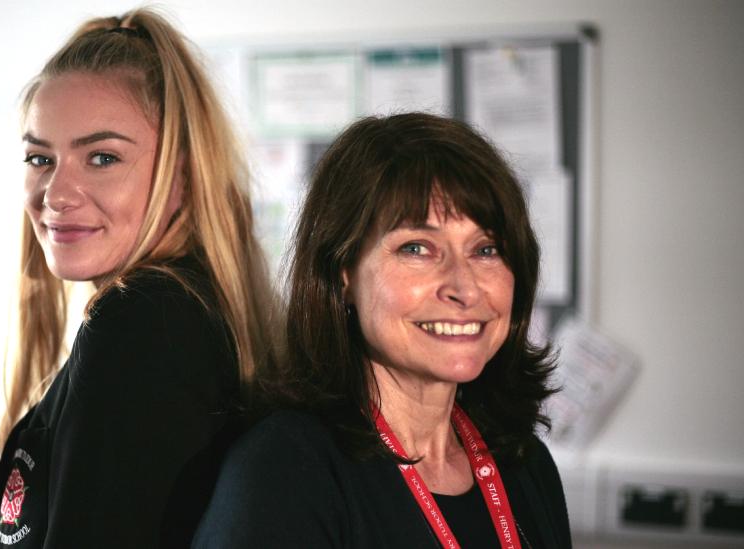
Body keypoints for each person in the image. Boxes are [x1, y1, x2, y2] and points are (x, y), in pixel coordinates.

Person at [0, 8, 276, 549]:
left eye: (102, 157)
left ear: (184, 177)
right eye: (40, 158)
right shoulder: (185, 309)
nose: (55, 195)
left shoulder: (142, 320)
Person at [193, 112, 571, 548]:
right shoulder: (285, 471)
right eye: (417, 248)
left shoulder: (523, 462)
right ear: (343, 273)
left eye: (485, 249)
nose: (464, 287)